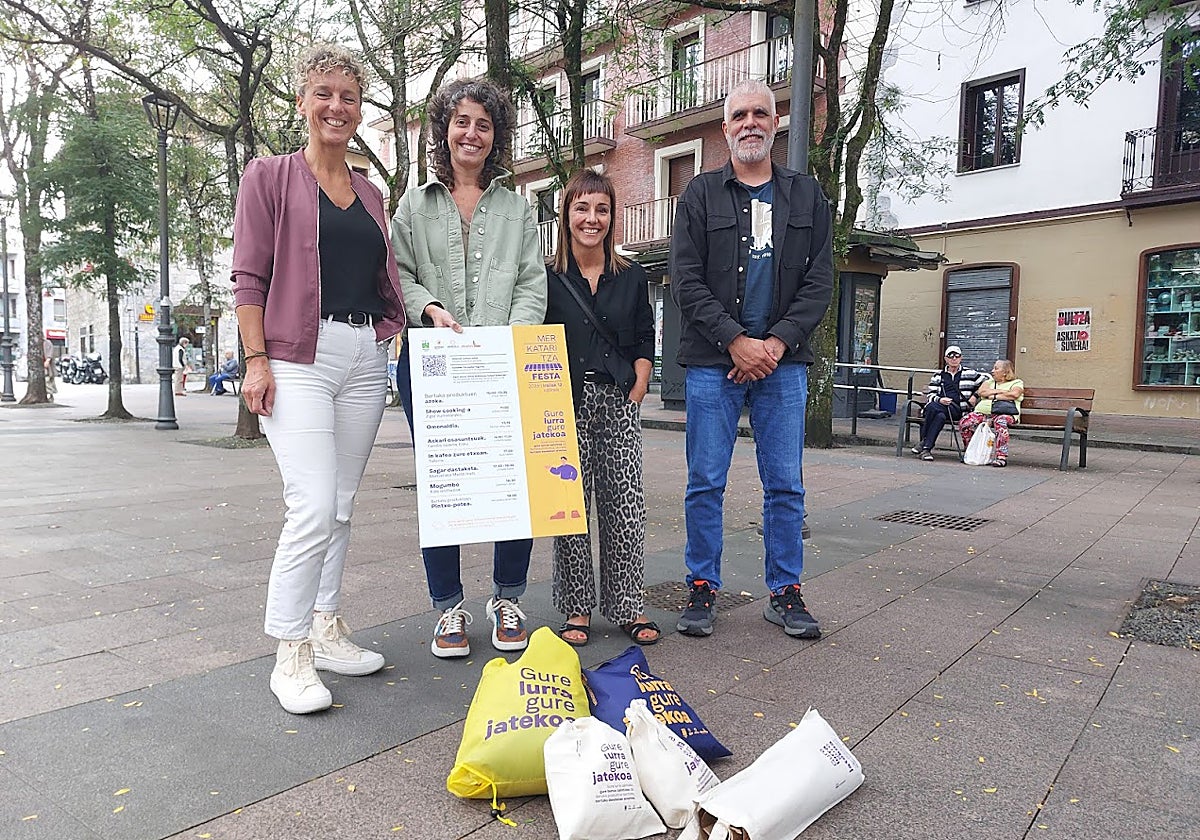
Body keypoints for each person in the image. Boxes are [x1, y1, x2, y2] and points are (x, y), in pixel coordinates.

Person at [230, 43, 407, 714]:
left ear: (360, 111)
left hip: (364, 354)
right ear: (301, 102)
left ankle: (328, 627)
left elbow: (380, 274)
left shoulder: (370, 192)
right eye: (324, 93)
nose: (337, 106)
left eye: (349, 97)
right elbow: (249, 276)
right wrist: (255, 360)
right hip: (295, 355)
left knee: (338, 504)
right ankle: (290, 650)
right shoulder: (268, 177)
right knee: (309, 503)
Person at [670, 79, 834, 640]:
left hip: (782, 365)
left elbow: (819, 283)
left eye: (759, 113)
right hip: (715, 363)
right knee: (704, 481)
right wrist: (736, 341)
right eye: (738, 114)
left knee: (785, 484)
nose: (749, 123)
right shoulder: (698, 195)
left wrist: (776, 343)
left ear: (775, 122)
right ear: (725, 128)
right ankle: (701, 587)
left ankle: (785, 591)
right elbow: (686, 282)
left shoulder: (806, 197)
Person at [391, 78, 546, 660]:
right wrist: (427, 308)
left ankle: (507, 597)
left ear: (495, 135)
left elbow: (532, 282)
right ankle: (448, 607)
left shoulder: (517, 208)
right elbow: (398, 274)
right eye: (461, 122)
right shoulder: (413, 205)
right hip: (433, 367)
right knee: (445, 484)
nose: (471, 133)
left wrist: (512, 342)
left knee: (516, 480)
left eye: (483, 124)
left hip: (503, 365)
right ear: (444, 131)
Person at [544, 169, 658, 648]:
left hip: (616, 399)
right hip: (563, 403)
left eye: (602, 210)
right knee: (569, 509)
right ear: (566, 214)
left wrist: (639, 387)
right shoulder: (546, 277)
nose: (592, 219)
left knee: (625, 505)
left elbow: (642, 336)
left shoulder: (631, 275)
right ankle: (577, 607)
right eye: (582, 208)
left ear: (612, 217)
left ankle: (627, 603)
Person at [912, 345, 982, 460]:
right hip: (941, 408)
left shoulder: (970, 373)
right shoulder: (938, 376)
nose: (954, 359)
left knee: (932, 408)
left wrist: (975, 396)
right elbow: (931, 394)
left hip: (959, 410)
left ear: (961, 358)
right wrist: (940, 400)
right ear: (946, 359)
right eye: (950, 356)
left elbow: (987, 383)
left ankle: (923, 441)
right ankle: (926, 449)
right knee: (939, 416)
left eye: (957, 356)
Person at [960, 359, 1024, 468]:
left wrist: (992, 396)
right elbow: (982, 392)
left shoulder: (1017, 383)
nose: (992, 371)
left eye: (996, 368)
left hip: (1005, 414)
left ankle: (1001, 457)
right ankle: (971, 450)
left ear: (1005, 372)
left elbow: (1014, 394)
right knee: (965, 422)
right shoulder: (989, 382)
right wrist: (1003, 393)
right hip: (983, 413)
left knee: (1001, 421)